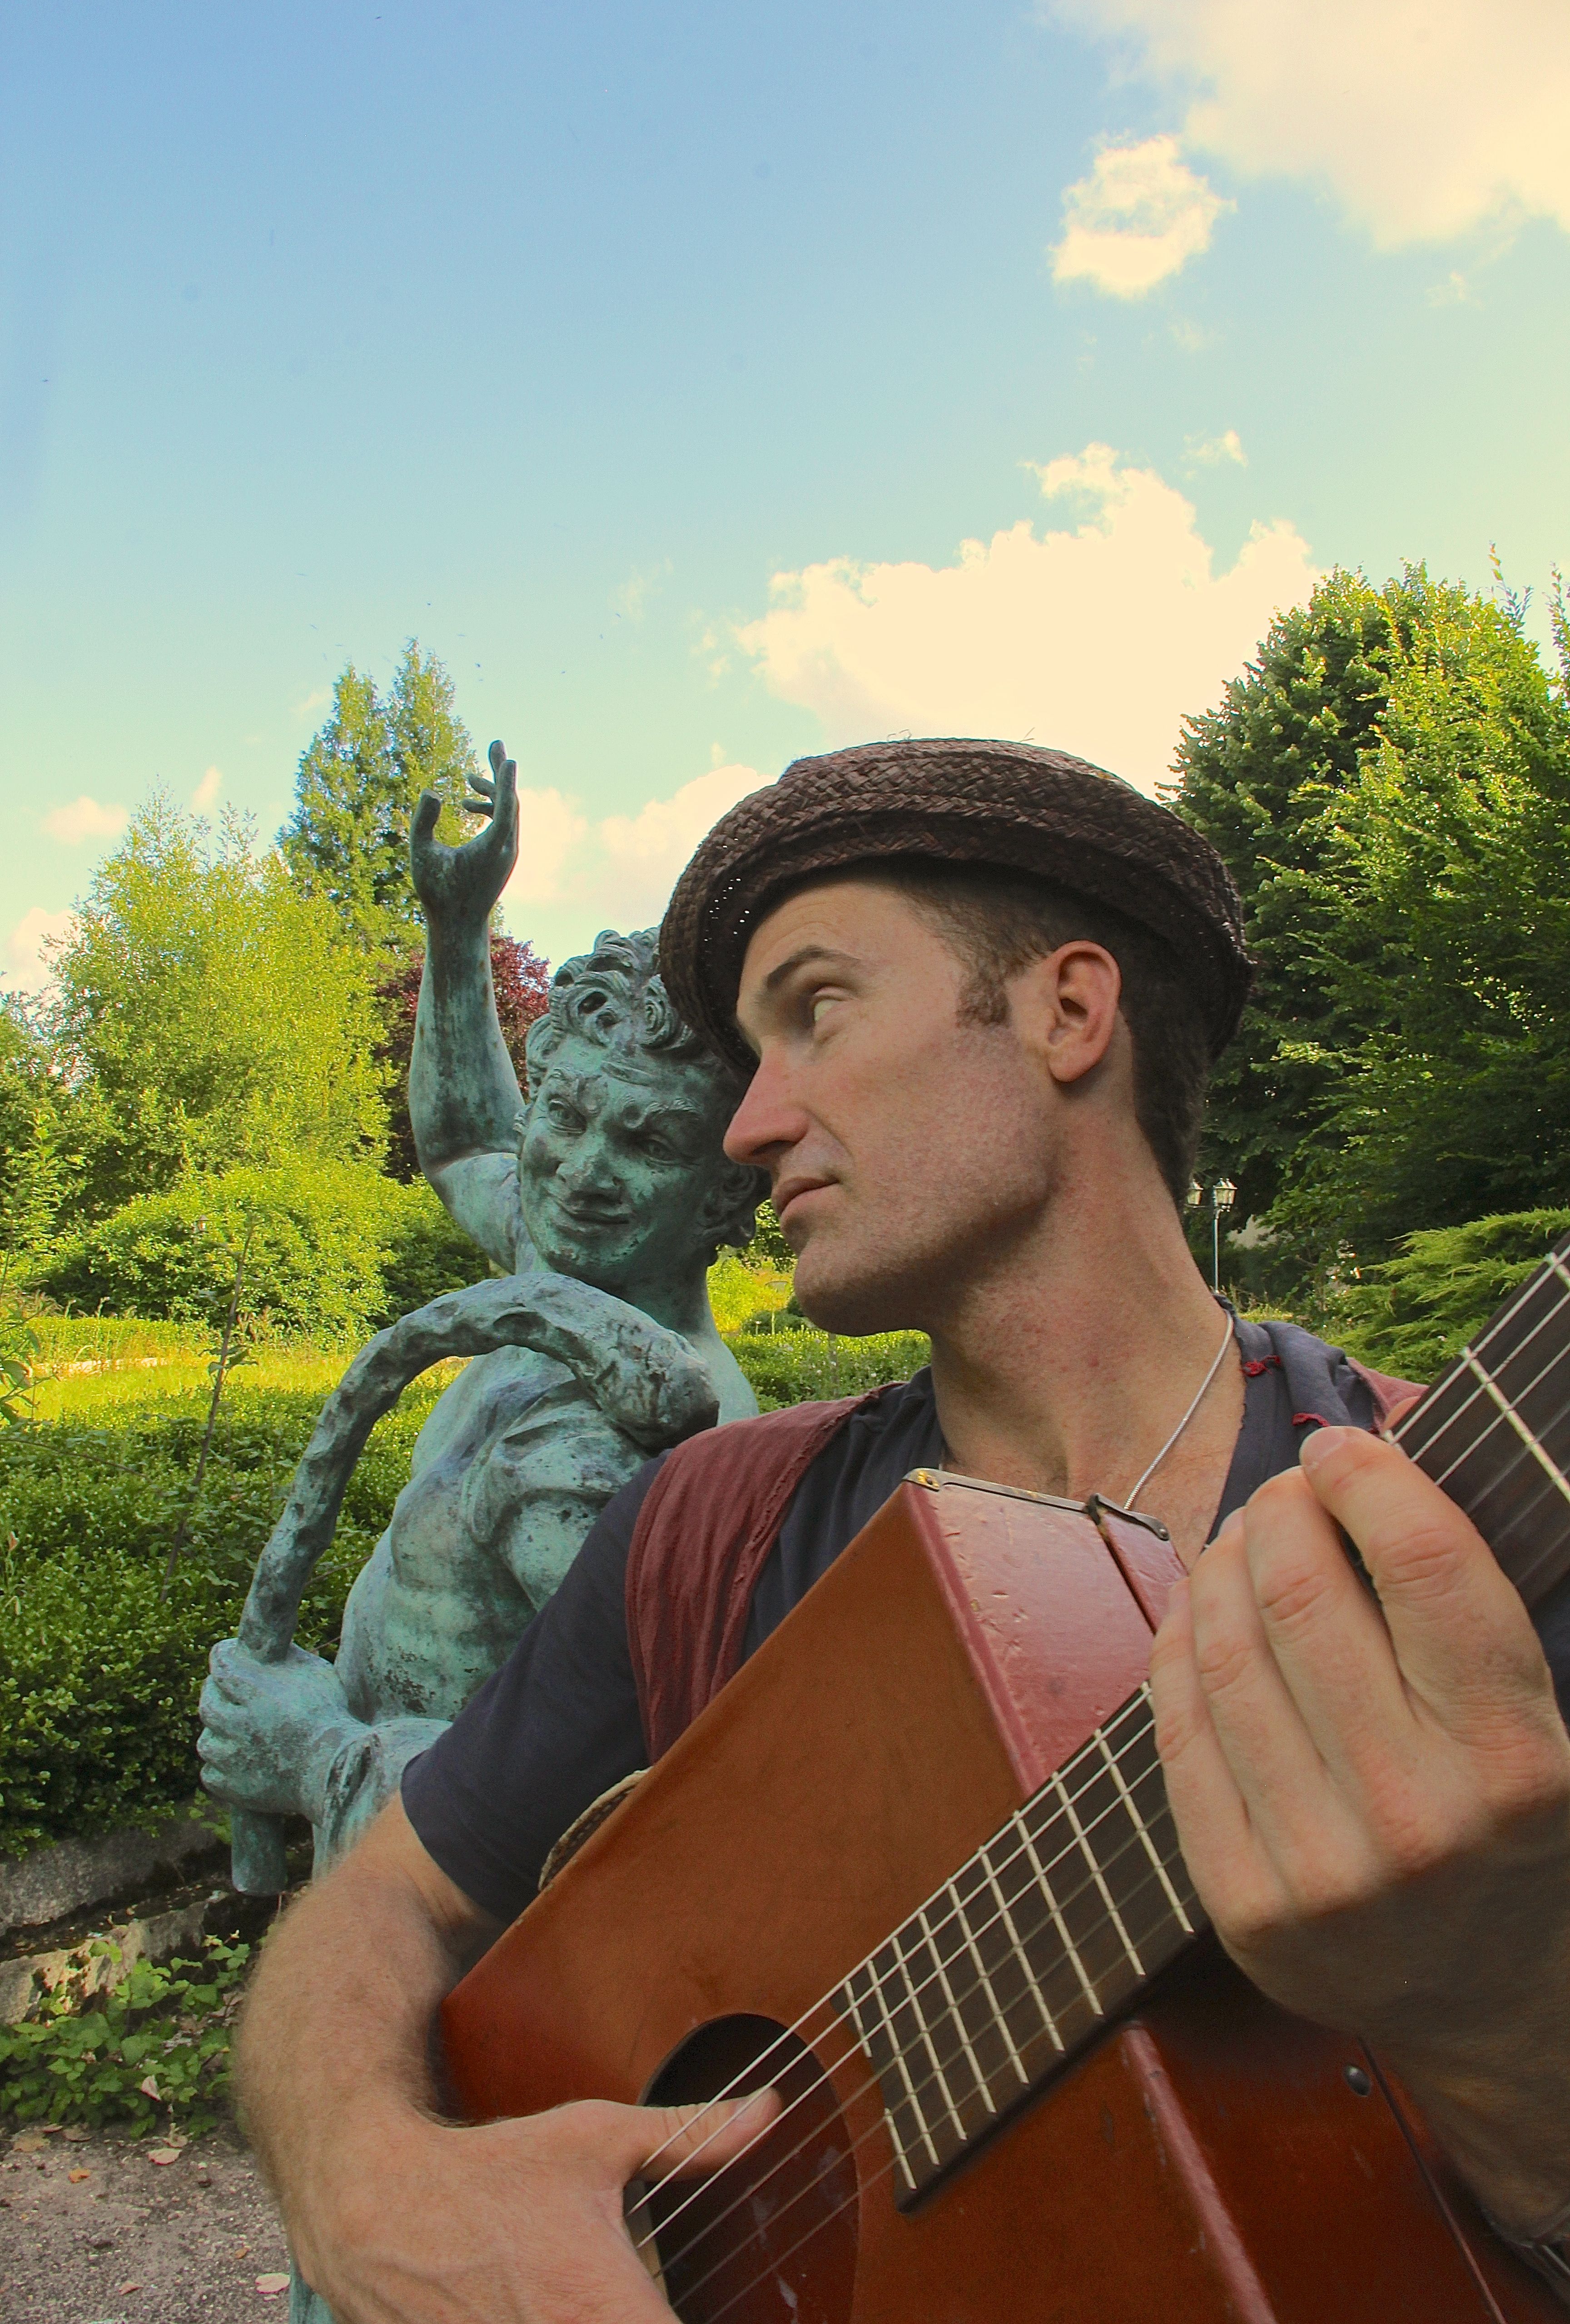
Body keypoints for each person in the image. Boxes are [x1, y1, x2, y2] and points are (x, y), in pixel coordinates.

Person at [228, 739, 1570, 2322]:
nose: (748, 1125)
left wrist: (1504, 2035)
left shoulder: (1475, 1542)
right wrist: (368, 2186)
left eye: (814, 1012)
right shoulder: (705, 1527)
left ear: (1068, 1014)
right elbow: (375, 1909)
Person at [197, 744, 765, 1872]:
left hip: (454, 1952)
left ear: (722, 1195)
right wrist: (458, 931)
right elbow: (465, 1141)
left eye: (648, 1142)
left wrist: (311, 1758)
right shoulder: (564, 1283)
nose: (579, 1172)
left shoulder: (610, 1448)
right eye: (566, 1114)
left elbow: (614, 1825)